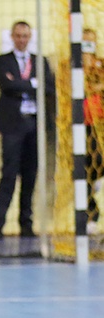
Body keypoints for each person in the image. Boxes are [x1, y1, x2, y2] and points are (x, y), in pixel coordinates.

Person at [0, 21, 54, 239]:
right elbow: (7, 86)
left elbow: (49, 87)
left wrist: (21, 83)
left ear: (30, 37)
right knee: (9, 174)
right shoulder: (2, 61)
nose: (22, 39)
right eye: (18, 36)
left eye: (25, 36)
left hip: (34, 124)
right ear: (12, 37)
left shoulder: (40, 61)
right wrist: (34, 84)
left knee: (30, 174)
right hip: (11, 125)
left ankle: (25, 223)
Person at [82, 28, 104, 234]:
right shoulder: (69, 66)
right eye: (84, 42)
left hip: (101, 124)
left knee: (98, 161)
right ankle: (91, 216)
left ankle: (99, 179)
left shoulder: (102, 65)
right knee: (83, 172)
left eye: (91, 42)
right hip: (81, 126)